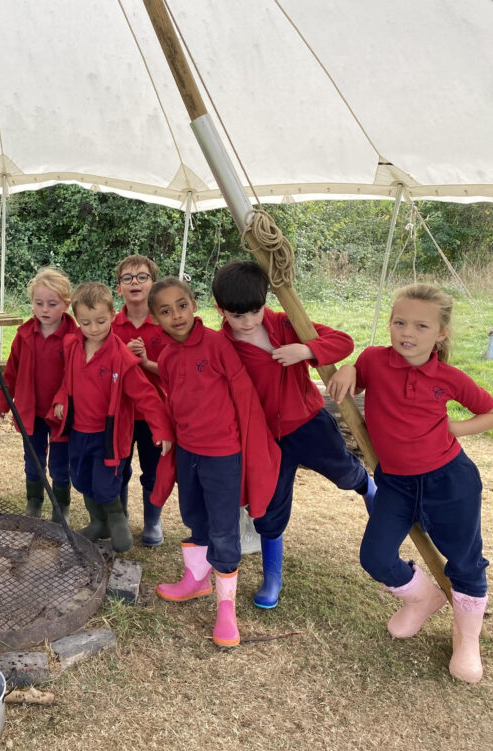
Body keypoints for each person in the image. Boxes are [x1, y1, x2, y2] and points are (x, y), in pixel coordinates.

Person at [328, 283, 493, 683]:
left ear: (441, 333)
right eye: (399, 322)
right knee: (375, 557)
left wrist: (452, 427)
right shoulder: (374, 360)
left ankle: (466, 638)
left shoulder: (450, 378)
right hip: (395, 484)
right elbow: (354, 377)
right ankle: (423, 598)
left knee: (465, 560)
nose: (407, 332)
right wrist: (351, 367)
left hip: (449, 480)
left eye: (421, 326)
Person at [211, 260, 376, 610]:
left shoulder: (285, 324)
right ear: (220, 309)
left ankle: (368, 486)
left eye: (255, 311)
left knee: (344, 472)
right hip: (267, 440)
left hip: (309, 422)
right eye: (237, 315)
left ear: (265, 301)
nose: (248, 321)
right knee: (269, 509)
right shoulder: (221, 345)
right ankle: (273, 576)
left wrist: (306, 350)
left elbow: (343, 342)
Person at [148, 277, 280, 647]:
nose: (176, 315)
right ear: (155, 318)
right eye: (165, 310)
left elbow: (244, 398)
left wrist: (251, 449)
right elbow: (175, 398)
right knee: (194, 516)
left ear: (194, 305)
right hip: (188, 452)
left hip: (223, 454)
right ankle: (197, 581)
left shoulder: (219, 345)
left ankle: (226, 608)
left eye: (181, 305)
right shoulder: (168, 355)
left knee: (224, 528)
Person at [49, 282, 173, 553]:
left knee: (106, 482)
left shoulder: (121, 358)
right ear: (77, 321)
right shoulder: (73, 346)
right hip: (78, 431)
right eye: (86, 322)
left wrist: (161, 430)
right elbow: (66, 381)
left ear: (113, 315)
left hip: (108, 435)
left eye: (101, 321)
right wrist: (60, 399)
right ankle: (98, 523)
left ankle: (117, 518)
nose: (94, 328)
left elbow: (147, 397)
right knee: (82, 479)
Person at [0, 267, 76, 521]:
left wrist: (65, 399)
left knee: (60, 465)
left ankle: (61, 504)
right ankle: (35, 500)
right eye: (39, 303)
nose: (45, 309)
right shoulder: (24, 335)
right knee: (33, 461)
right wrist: (2, 403)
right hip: (30, 411)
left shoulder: (75, 337)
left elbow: (76, 376)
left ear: (66, 304)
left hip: (61, 414)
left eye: (52, 303)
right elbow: (11, 372)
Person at [111, 254, 168, 546]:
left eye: (142, 277)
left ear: (153, 284)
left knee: (153, 470)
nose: (135, 282)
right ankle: (119, 519)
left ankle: (153, 520)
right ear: (118, 288)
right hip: (119, 413)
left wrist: (146, 361)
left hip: (154, 414)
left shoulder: (164, 323)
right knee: (118, 468)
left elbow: (176, 370)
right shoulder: (108, 324)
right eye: (127, 278)